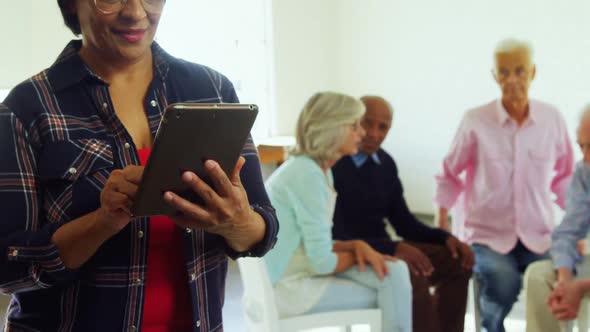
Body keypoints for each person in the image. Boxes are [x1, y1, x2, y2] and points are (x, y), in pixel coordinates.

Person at [0, 1, 278, 331]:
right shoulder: (27, 108)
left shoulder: (212, 91)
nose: (135, 13)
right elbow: (9, 268)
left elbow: (264, 229)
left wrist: (236, 222)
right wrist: (103, 221)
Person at [434, 38, 574, 332]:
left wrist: (579, 223)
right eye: (504, 72)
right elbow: (450, 172)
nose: (512, 79)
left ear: (533, 73)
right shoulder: (475, 120)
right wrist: (441, 219)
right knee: (502, 281)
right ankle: (490, 327)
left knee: (557, 275)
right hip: (486, 234)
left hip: (538, 234)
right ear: (494, 76)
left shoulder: (552, 119)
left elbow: (564, 179)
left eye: (520, 71)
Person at [264, 92, 412, 332]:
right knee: (392, 284)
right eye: (355, 126)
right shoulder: (308, 174)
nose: (363, 133)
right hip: (289, 290)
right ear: (331, 128)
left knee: (395, 270)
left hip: (293, 276)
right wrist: (357, 252)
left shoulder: (314, 169)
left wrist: (355, 245)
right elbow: (322, 262)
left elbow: (316, 245)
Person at [331, 95, 473, 332]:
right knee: (410, 274)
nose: (375, 133)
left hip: (383, 247)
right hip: (351, 253)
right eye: (367, 123)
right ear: (353, 122)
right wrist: (394, 248)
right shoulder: (335, 164)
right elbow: (338, 235)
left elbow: (404, 222)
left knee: (457, 262)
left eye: (383, 126)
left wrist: (446, 238)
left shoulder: (385, 163)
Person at [525, 106, 590, 332]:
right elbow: (569, 232)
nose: (586, 157)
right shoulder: (584, 173)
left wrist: (581, 286)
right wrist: (564, 281)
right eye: (582, 146)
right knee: (538, 276)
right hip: (586, 265)